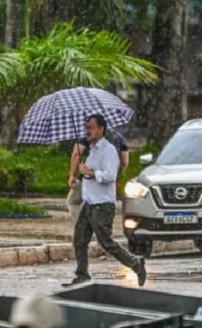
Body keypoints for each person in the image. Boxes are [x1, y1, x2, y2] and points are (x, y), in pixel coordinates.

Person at [63, 114, 146, 287]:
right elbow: (88, 171)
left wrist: (89, 172)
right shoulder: (92, 149)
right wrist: (76, 175)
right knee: (79, 240)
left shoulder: (108, 150)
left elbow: (110, 175)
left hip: (102, 205)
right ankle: (82, 274)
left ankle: (136, 264)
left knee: (106, 243)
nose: (88, 130)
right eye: (87, 127)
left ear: (101, 129)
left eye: (92, 127)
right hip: (89, 202)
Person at [66, 127, 129, 224]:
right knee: (103, 204)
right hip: (107, 181)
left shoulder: (88, 134)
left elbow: (76, 155)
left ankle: (82, 226)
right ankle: (98, 225)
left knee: (73, 200)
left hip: (88, 178)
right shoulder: (118, 137)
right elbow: (124, 161)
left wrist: (72, 175)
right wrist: (115, 174)